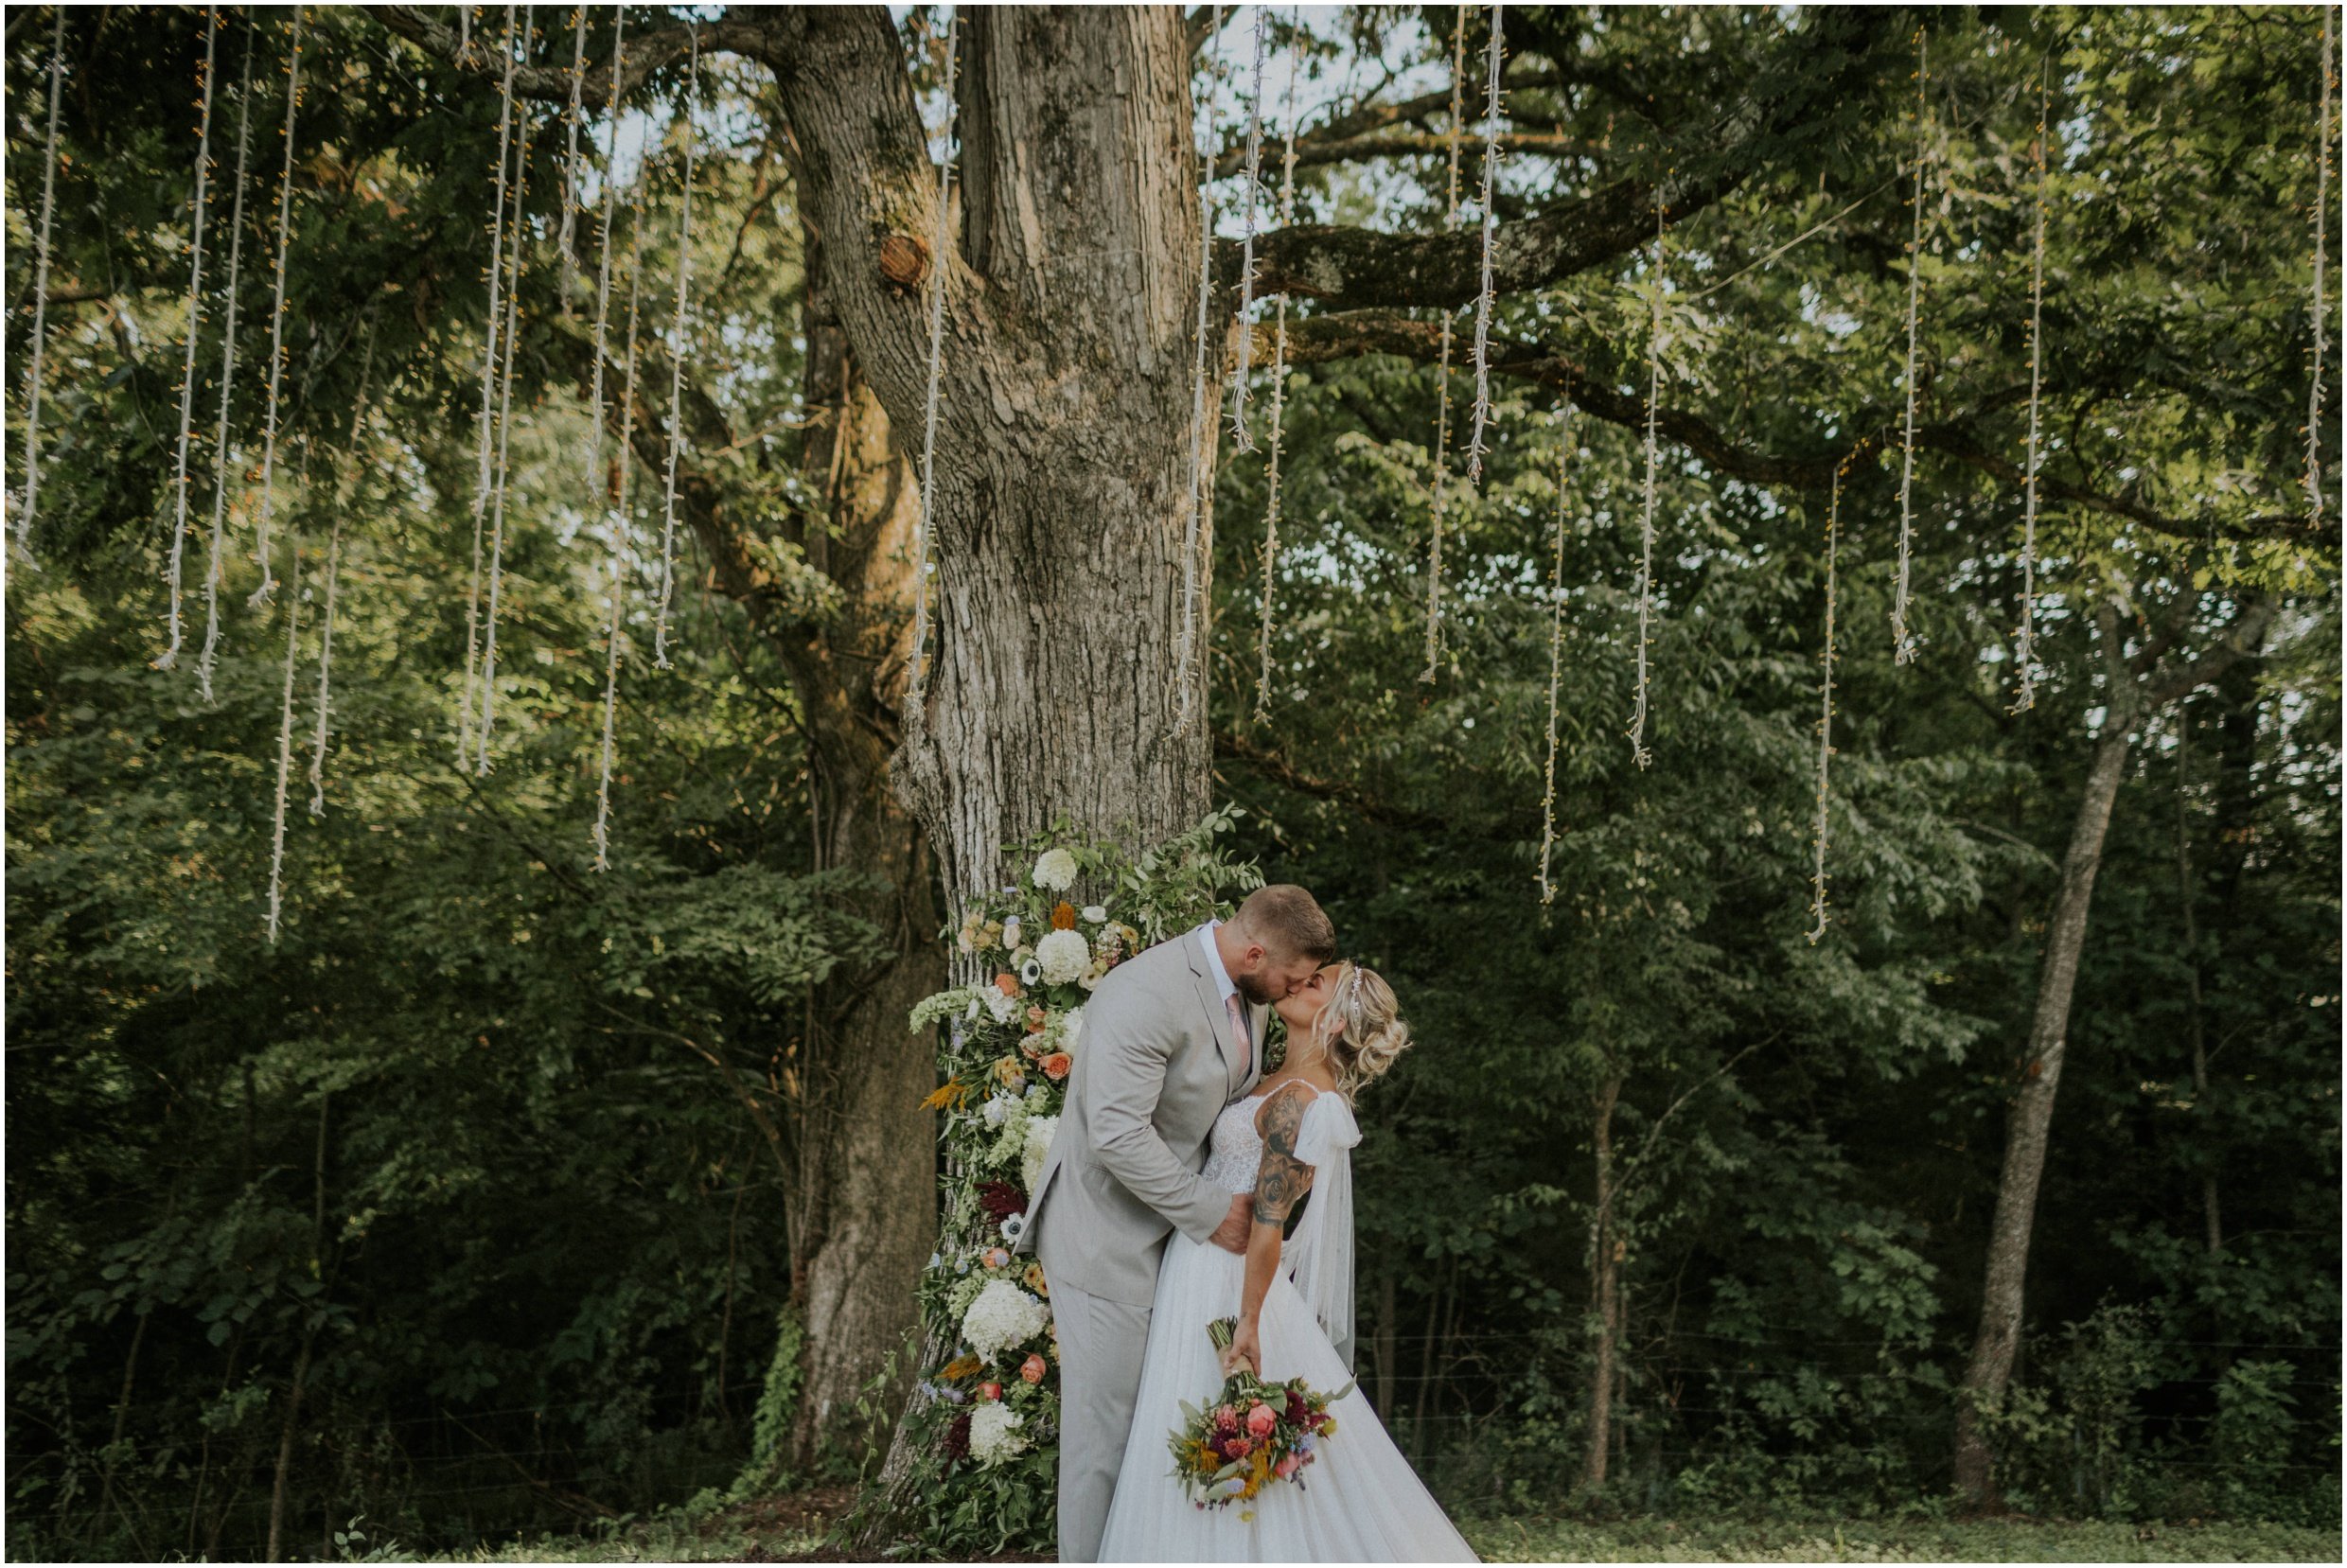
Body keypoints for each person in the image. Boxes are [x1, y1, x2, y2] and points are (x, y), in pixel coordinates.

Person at [1095, 960, 1479, 1563]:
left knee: (1221, 1425)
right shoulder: (1271, 1075)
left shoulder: (1303, 1101)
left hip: (1226, 1278)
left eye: (1316, 982)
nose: (1298, 981)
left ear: (1333, 1021)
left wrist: (1247, 1321)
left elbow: (1270, 1225)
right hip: (1193, 1260)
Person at [1016, 885, 1338, 1564]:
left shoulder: (1248, 997)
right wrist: (1211, 1209)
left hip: (1175, 1250)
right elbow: (1115, 1133)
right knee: (1105, 1444)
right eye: (1295, 975)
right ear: (1255, 952)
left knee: (1152, 1433)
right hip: (1105, 1242)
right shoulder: (1146, 994)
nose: (1300, 987)